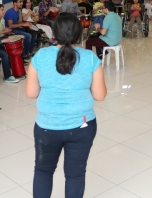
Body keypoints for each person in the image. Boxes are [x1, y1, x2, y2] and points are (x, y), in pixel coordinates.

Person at [26, 14, 107, 198]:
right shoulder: (90, 58)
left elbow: (31, 93)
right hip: (82, 126)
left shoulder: (41, 56)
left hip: (47, 126)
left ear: (54, 33)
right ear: (79, 33)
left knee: (43, 171)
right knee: (75, 174)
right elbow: (100, 95)